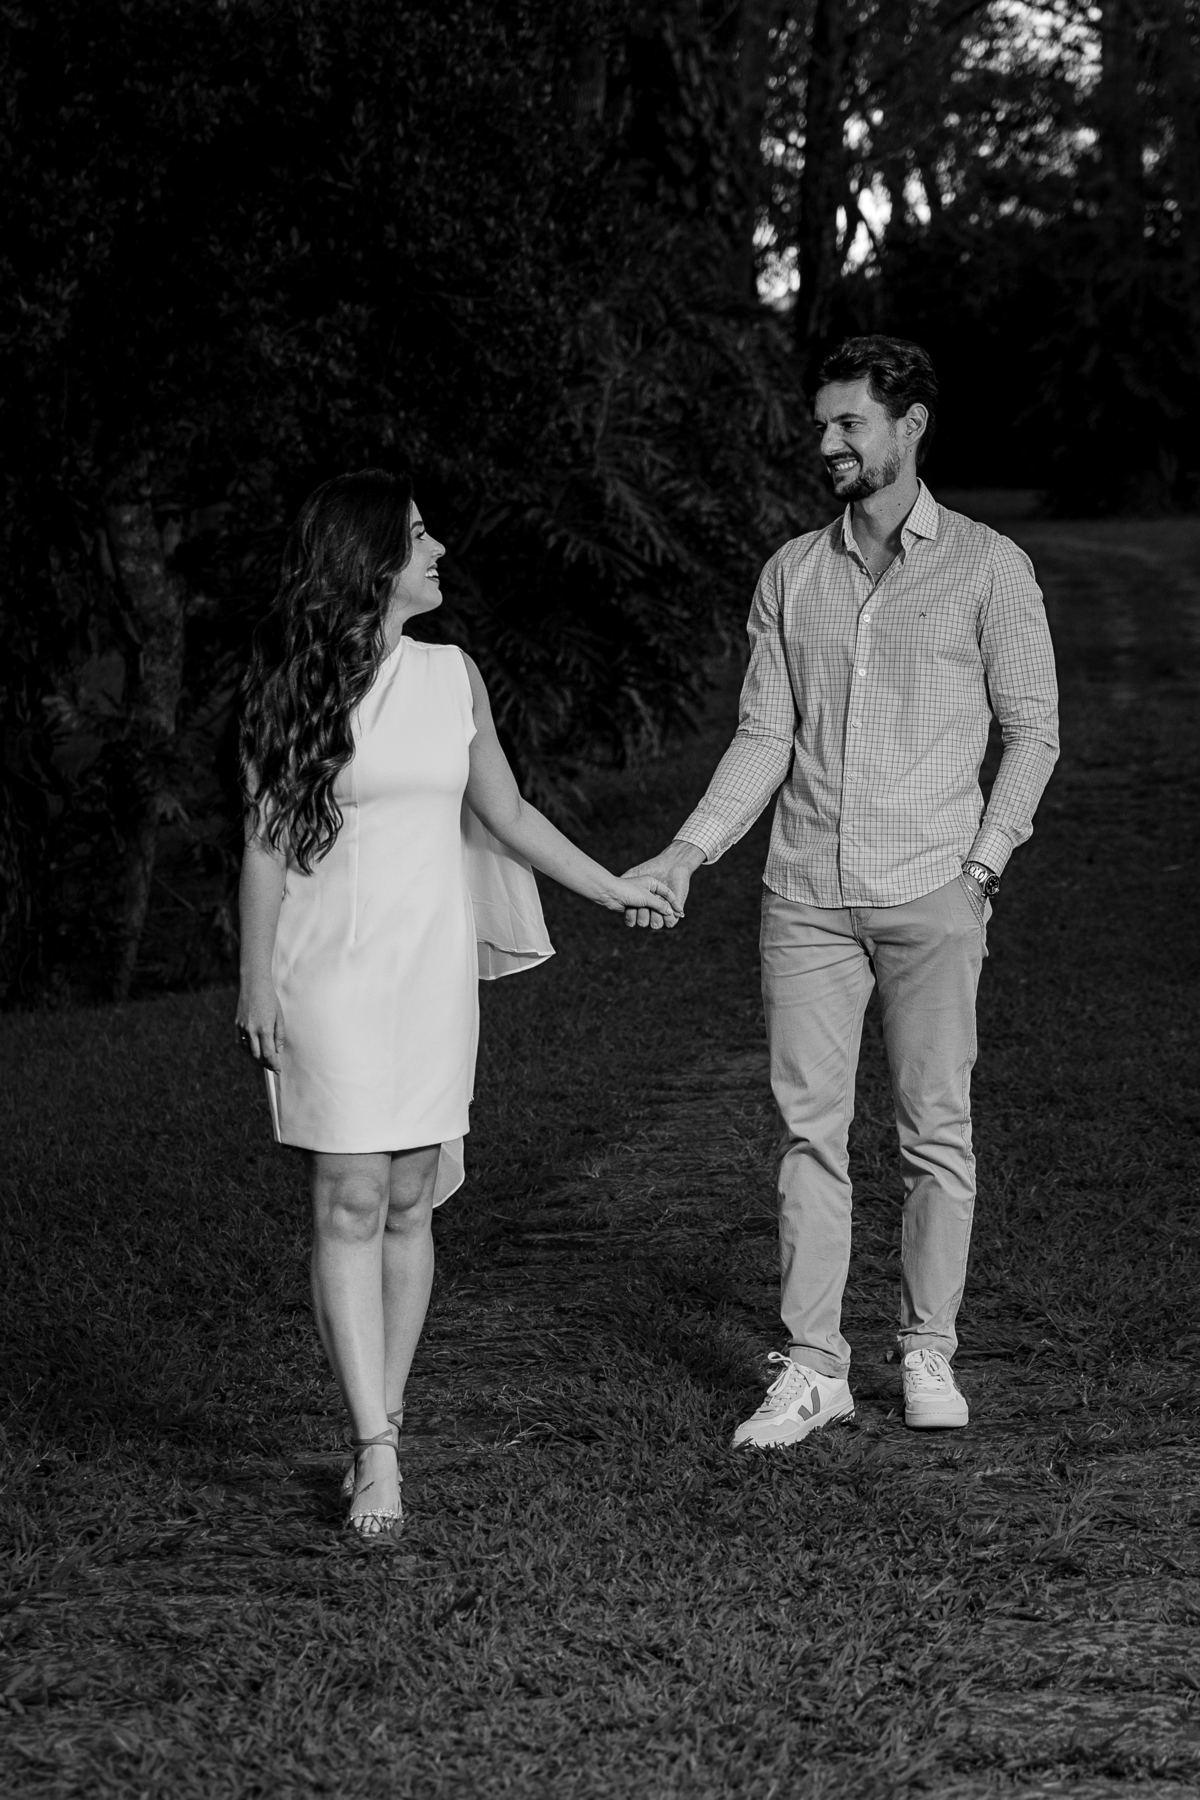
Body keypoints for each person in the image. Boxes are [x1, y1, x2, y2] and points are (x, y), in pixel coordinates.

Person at [625, 336, 1058, 1447]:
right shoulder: (791, 574)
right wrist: (687, 851)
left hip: (931, 889)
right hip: (807, 894)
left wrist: (981, 867)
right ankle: (815, 1366)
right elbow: (764, 735)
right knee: (807, 1135)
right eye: (822, 423)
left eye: (849, 423)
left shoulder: (989, 567)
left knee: (935, 1133)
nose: (826, 443)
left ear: (910, 426)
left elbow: (1034, 733)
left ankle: (927, 1347)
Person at [236, 469, 679, 1536]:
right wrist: (254, 982)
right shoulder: (293, 680)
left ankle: (383, 1418)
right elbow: (262, 845)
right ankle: (374, 1448)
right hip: (328, 971)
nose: (439, 552)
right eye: (420, 536)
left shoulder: (452, 675)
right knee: (348, 1198)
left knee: (408, 1199)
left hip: (429, 974)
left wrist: (613, 888)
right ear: (370, 560)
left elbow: (510, 814)